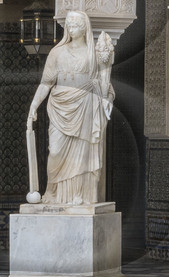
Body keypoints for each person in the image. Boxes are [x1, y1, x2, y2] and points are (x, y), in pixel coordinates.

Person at [26, 11, 115, 207]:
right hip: (59, 106)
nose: (71, 28)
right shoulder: (57, 52)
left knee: (83, 153)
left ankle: (79, 194)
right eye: (69, 24)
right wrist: (34, 105)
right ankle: (53, 191)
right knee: (55, 151)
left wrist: (105, 97)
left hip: (85, 105)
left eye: (76, 24)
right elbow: (46, 83)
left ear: (85, 27)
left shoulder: (93, 53)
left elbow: (104, 82)